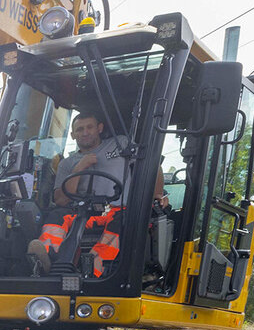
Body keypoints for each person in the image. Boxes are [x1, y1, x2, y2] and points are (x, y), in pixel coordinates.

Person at [29, 112, 168, 277]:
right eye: (79, 129)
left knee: (123, 220)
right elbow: (61, 199)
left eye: (89, 127)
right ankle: (47, 258)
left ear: (100, 128)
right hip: (81, 212)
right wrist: (80, 167)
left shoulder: (120, 143)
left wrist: (157, 194)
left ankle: (95, 268)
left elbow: (152, 163)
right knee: (57, 215)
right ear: (73, 135)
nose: (85, 132)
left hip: (117, 209)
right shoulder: (67, 163)